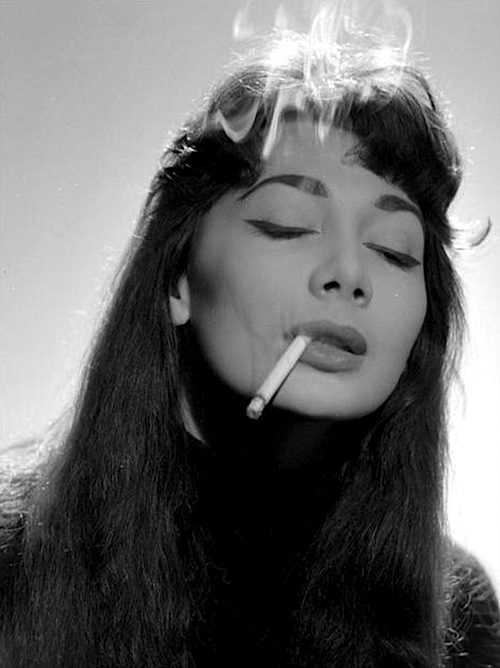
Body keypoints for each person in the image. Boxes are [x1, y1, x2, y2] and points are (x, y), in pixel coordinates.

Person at [1, 27, 499, 668]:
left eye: (393, 250)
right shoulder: (13, 554)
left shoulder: (454, 610)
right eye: (287, 225)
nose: (349, 274)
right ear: (178, 280)